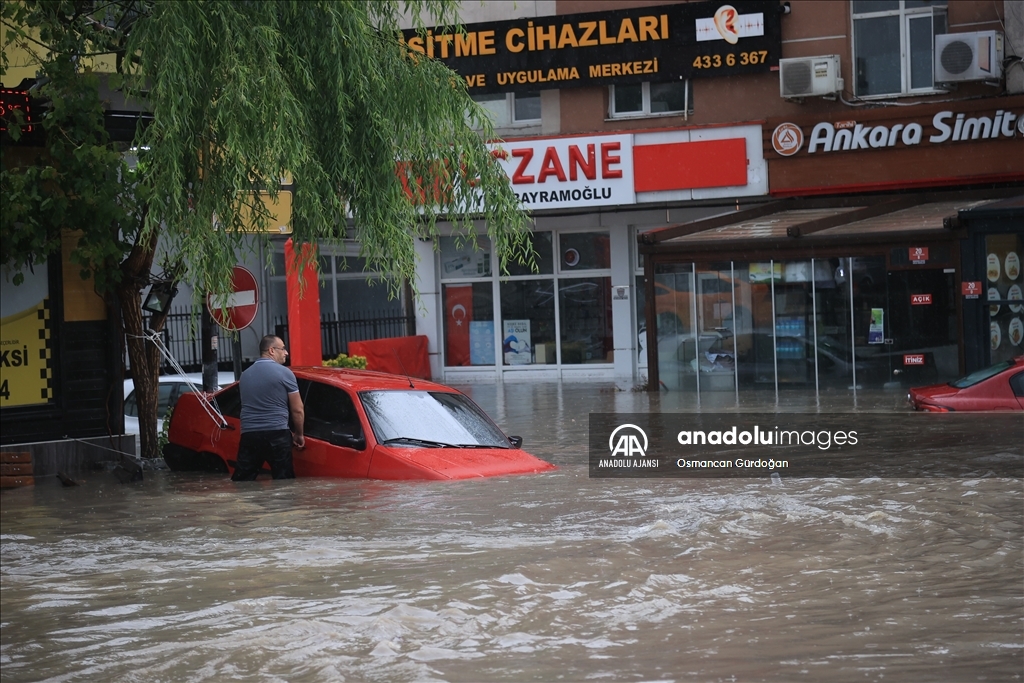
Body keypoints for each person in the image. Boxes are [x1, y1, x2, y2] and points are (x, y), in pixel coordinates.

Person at [231, 335, 305, 480]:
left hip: (250, 435)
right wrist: (299, 434)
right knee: (284, 483)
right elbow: (297, 409)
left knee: (243, 481)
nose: (286, 352)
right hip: (277, 434)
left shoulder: (245, 375)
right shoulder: (285, 373)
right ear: (271, 350)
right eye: (283, 348)